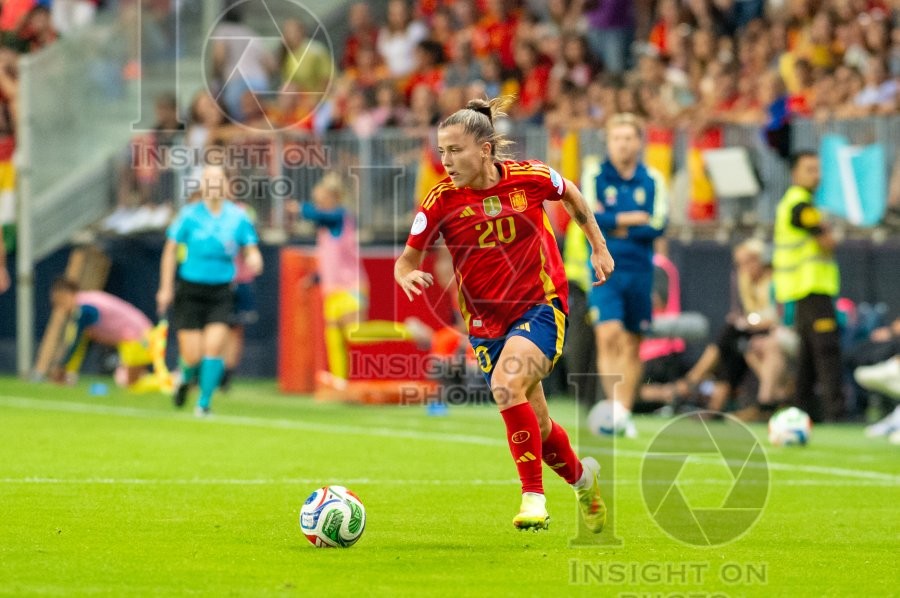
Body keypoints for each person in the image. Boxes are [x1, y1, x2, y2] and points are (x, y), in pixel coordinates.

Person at [395, 96, 615, 532]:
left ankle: (533, 497)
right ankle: (583, 480)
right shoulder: (440, 200)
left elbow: (570, 193)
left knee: (504, 383)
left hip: (540, 307)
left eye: (455, 150)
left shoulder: (529, 178)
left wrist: (598, 245)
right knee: (540, 423)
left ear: (485, 149)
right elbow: (407, 258)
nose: (447, 160)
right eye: (442, 151)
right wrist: (406, 275)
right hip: (485, 325)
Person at [156, 165, 263, 417]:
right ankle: (185, 377)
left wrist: (254, 257)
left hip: (221, 292)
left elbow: (250, 246)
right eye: (209, 180)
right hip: (190, 291)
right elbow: (170, 250)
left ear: (226, 185)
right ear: (202, 186)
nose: (214, 185)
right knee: (192, 356)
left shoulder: (238, 217)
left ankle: (203, 403)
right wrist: (165, 288)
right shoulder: (189, 215)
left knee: (214, 348)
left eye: (218, 180)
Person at [298, 172, 420, 389]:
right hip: (332, 288)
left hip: (349, 285)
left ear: (333, 198)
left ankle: (407, 330)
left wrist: (300, 209)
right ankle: (340, 380)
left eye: (321, 200)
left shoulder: (341, 217)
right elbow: (332, 260)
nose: (318, 205)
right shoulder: (326, 230)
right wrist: (315, 278)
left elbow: (319, 216)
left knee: (355, 333)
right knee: (334, 334)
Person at [585, 112, 668, 424]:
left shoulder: (652, 179)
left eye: (628, 138)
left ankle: (623, 413)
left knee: (633, 341)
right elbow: (590, 218)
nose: (622, 144)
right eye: (617, 138)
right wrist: (632, 219)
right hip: (604, 267)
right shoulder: (595, 175)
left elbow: (658, 225)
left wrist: (614, 223)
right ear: (608, 142)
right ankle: (613, 409)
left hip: (639, 270)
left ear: (639, 142)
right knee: (609, 334)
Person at [773, 151, 843, 422]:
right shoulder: (800, 205)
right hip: (811, 286)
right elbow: (827, 242)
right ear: (795, 174)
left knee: (808, 352)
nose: (816, 175)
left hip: (802, 288)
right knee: (826, 349)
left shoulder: (798, 203)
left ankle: (800, 407)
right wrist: (828, 232)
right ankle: (835, 410)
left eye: (817, 169)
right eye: (809, 169)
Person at [48, 278, 165, 390]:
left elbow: (76, 342)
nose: (61, 308)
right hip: (137, 335)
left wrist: (62, 366)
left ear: (69, 293)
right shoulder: (87, 300)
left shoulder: (84, 309)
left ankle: (172, 381)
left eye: (61, 301)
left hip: (137, 337)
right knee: (130, 381)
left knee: (132, 384)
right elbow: (84, 341)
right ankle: (170, 381)